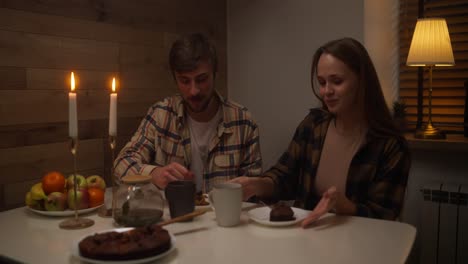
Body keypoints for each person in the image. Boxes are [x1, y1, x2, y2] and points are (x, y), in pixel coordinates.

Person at [231, 37, 411, 228]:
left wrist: (344, 205)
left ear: (362, 81)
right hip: (307, 237)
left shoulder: (391, 146)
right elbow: (285, 175)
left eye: (337, 81)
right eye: (322, 82)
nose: (326, 91)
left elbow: (384, 217)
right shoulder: (314, 126)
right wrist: (257, 184)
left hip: (358, 245)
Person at [114, 33, 262, 193]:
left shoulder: (243, 121)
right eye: (185, 81)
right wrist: (154, 174)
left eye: (202, 79)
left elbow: (254, 194)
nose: (194, 91)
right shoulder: (161, 115)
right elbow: (121, 165)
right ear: (175, 79)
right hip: (173, 216)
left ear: (215, 74)